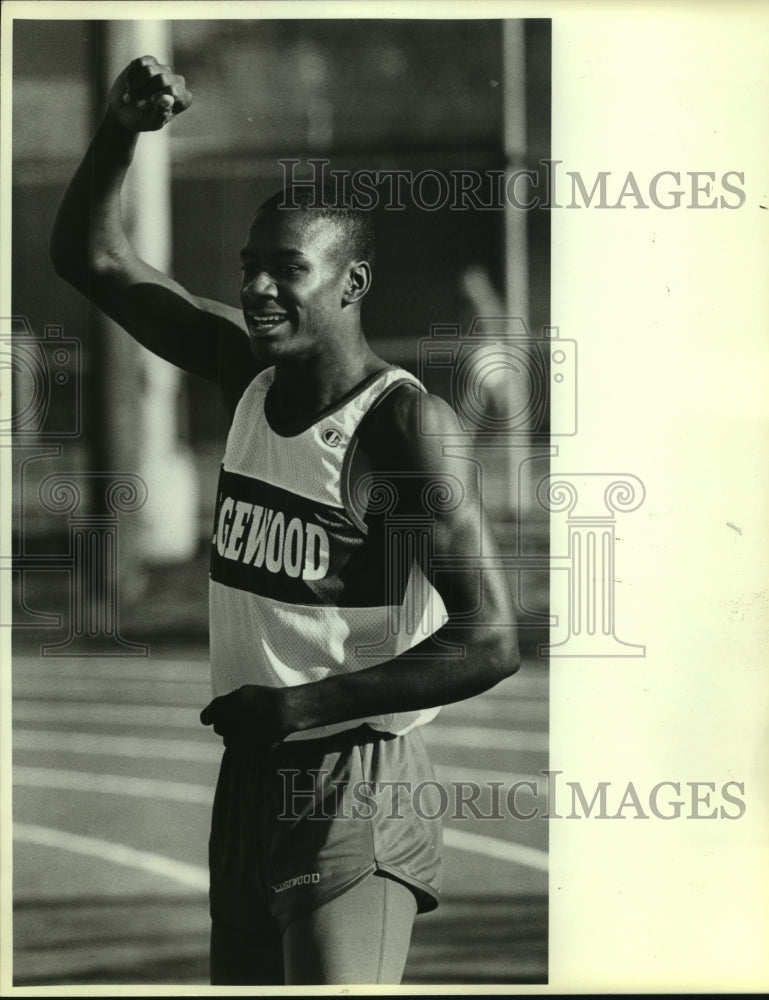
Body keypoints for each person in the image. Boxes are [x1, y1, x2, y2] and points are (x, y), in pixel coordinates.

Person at [50, 55, 520, 986]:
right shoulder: (245, 373)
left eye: (287, 270)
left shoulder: (397, 422)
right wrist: (121, 129)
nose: (260, 289)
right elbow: (91, 260)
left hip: (352, 770)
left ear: (352, 284)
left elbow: (491, 640)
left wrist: (300, 705)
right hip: (255, 771)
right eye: (249, 269)